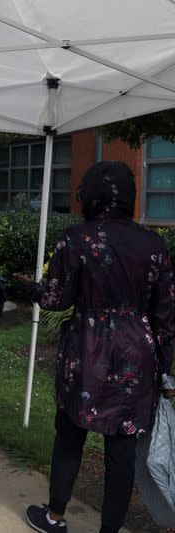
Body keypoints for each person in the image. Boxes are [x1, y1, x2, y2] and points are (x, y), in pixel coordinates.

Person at [14, 161, 175, 533]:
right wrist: (164, 367)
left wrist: (29, 286)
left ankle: (54, 517)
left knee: (70, 434)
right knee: (120, 450)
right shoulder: (155, 246)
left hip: (87, 352)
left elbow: (55, 298)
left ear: (91, 194)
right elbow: (166, 316)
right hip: (137, 356)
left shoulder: (76, 239)